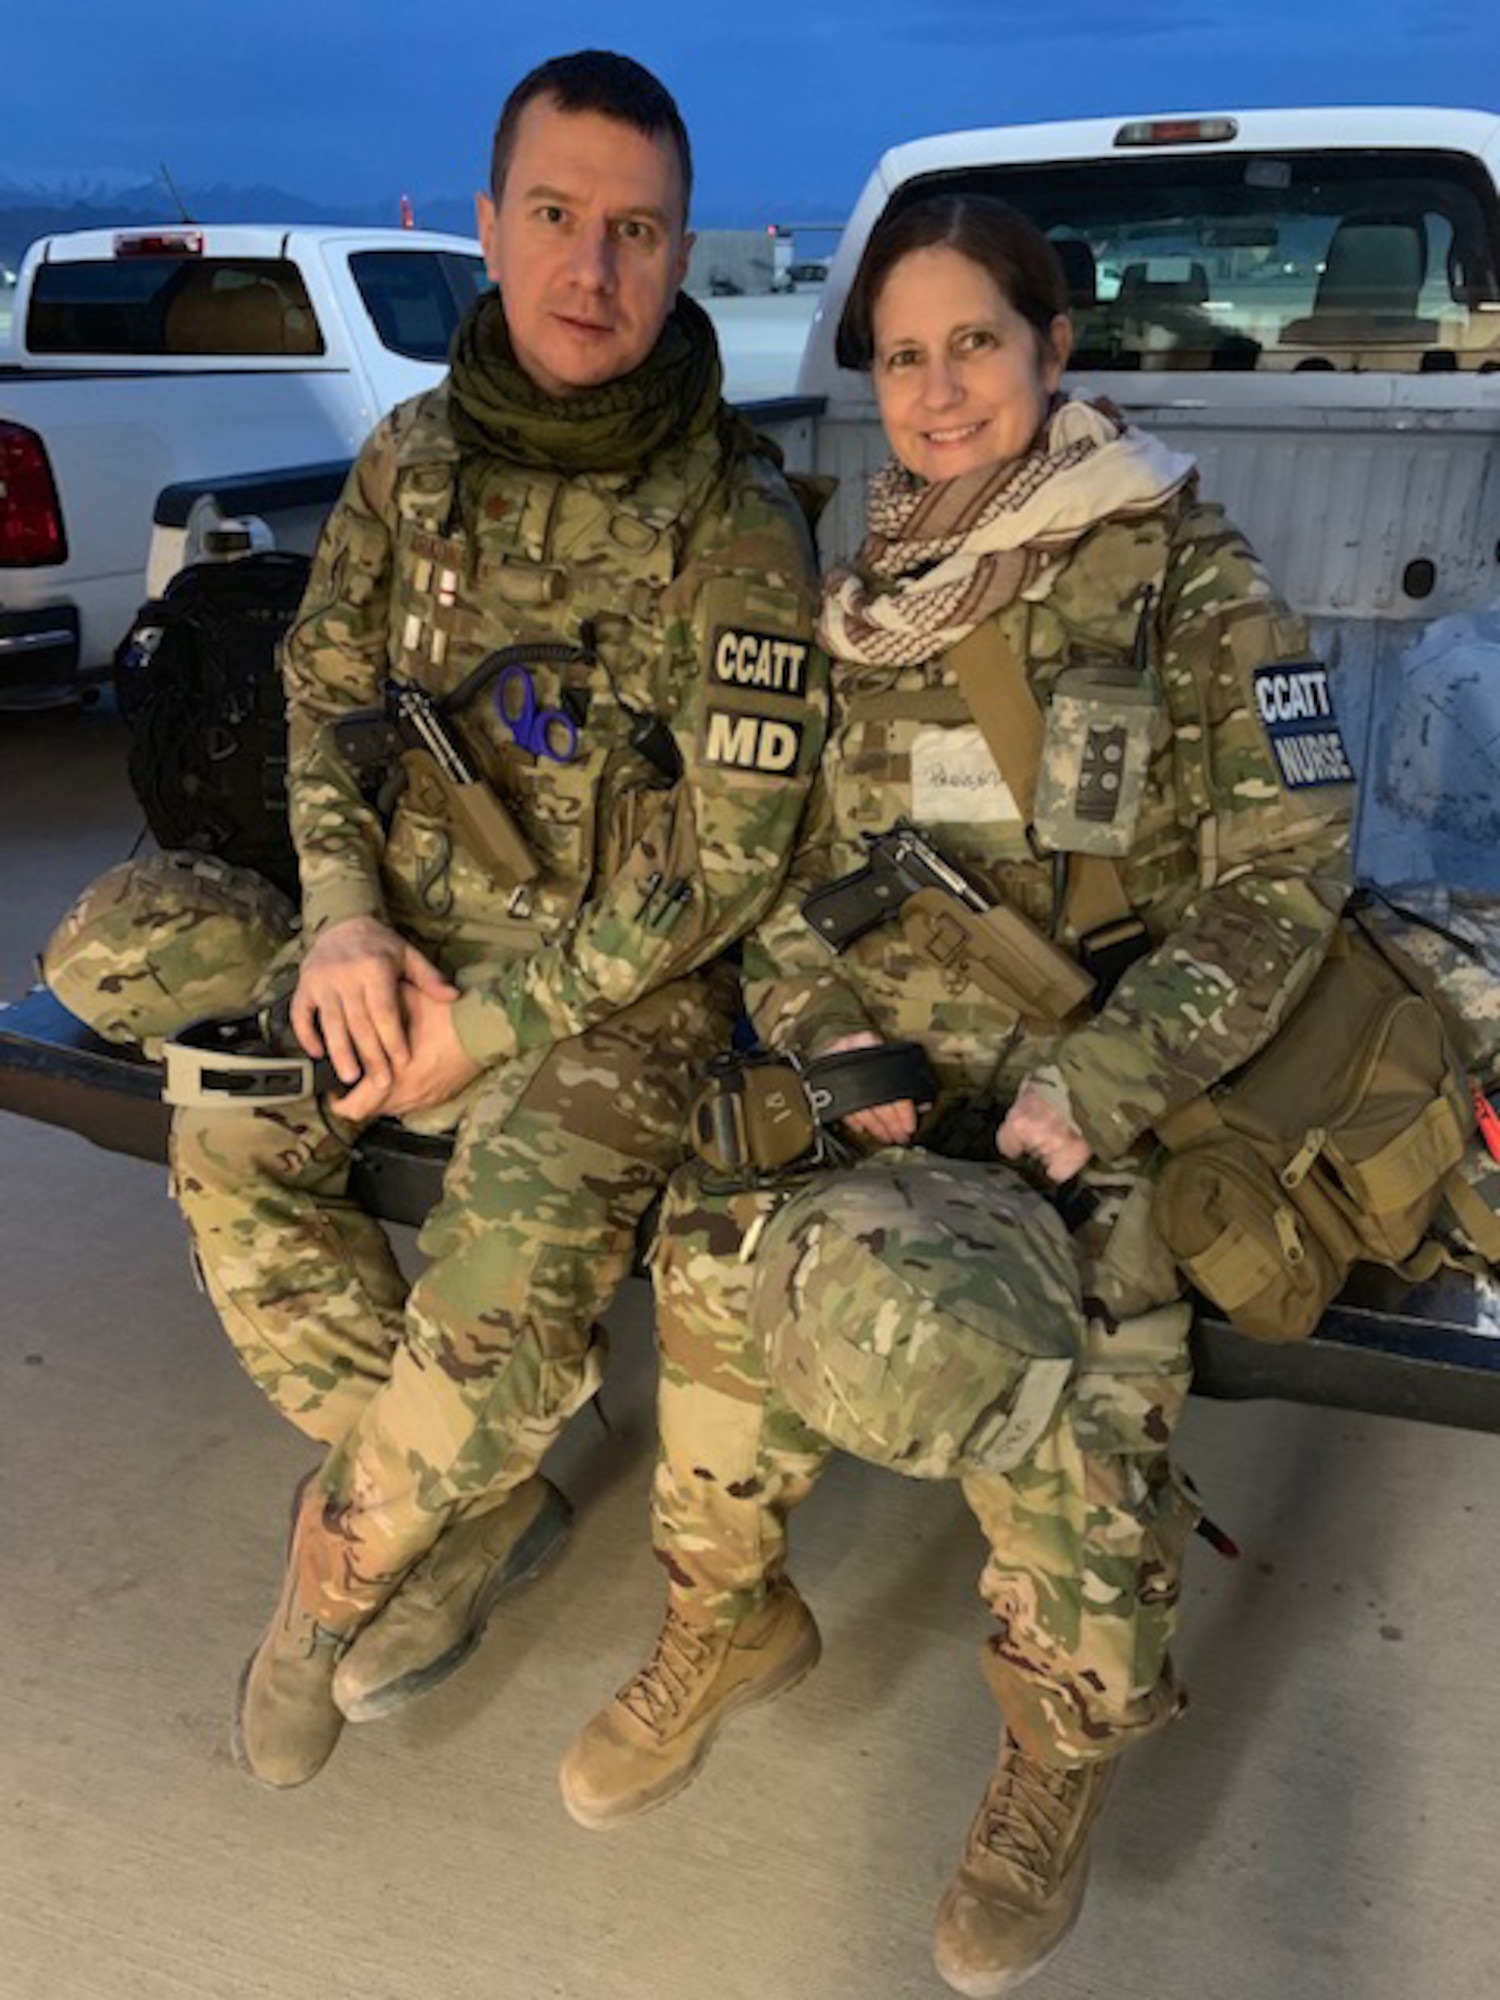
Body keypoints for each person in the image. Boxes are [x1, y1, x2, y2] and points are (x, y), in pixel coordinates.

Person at [559, 193, 1354, 1996]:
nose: (935, 391)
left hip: (1109, 1091)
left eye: (973, 344)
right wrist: (842, 1053)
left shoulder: (1186, 577)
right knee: (712, 1260)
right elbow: (782, 876)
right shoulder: (865, 606)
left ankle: (1056, 1751)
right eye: (903, 356)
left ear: (1052, 351)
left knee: (1083, 1358)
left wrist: (1101, 1082)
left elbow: (1288, 873)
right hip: (887, 1082)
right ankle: (724, 1618)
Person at [106, 50, 825, 1790]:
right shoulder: (411, 464)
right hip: (412, 933)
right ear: (490, 227)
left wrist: (486, 1032)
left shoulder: (738, 519)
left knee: (498, 1283)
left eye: (639, 232)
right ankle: (481, 1493)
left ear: (679, 253)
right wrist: (345, 922)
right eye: (561, 219)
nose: (596, 271)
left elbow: (724, 867)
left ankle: (331, 1579)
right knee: (231, 1125)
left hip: (624, 993)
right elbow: (323, 698)